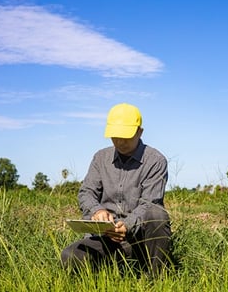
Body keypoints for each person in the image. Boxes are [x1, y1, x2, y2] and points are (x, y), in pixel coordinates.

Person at [61, 103, 171, 277]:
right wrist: (97, 210)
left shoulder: (156, 161)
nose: (120, 142)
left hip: (141, 240)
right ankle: (106, 276)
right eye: (115, 136)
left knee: (156, 214)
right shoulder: (100, 158)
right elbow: (86, 192)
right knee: (70, 256)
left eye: (126, 137)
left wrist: (125, 226)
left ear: (140, 132)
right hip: (105, 238)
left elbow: (149, 203)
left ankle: (155, 280)